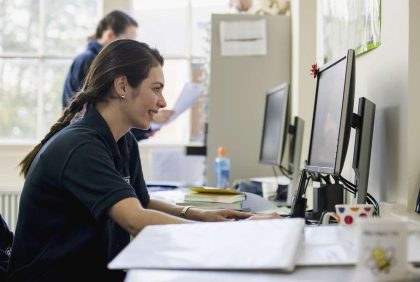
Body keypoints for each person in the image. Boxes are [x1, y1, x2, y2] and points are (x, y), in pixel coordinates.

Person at [8, 39, 278, 281]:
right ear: (122, 85)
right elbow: (135, 219)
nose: (162, 102)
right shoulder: (80, 146)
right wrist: (232, 234)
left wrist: (200, 216)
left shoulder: (122, 139)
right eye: (157, 89)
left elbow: (142, 201)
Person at [62, 10, 173, 141]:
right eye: (128, 41)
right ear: (110, 35)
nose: (134, 50)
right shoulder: (88, 61)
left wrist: (147, 123)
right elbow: (106, 112)